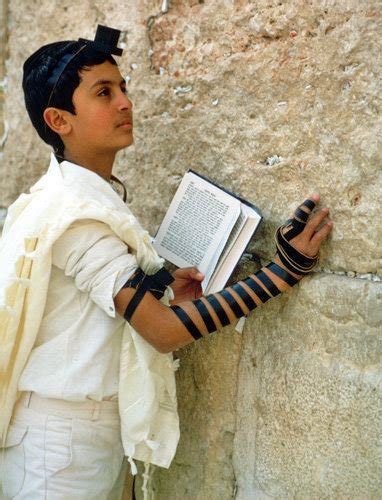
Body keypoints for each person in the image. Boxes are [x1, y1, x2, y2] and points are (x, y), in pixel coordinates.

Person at [0, 25, 332, 500]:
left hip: (73, 441)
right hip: (60, 452)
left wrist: (167, 291)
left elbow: (110, 315)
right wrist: (281, 274)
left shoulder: (73, 198)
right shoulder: (74, 214)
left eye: (123, 88)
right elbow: (162, 332)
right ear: (59, 120)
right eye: (103, 92)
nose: (125, 103)